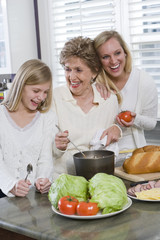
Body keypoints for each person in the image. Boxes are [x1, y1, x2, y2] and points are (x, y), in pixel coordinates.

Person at [52, 36, 122, 180]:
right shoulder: (54, 97)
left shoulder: (108, 100)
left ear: (94, 71)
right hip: (61, 180)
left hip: (98, 180)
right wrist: (57, 145)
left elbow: (110, 144)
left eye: (78, 70)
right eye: (67, 69)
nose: (72, 76)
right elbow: (41, 149)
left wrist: (117, 129)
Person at [94, 30, 158, 158]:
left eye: (117, 53)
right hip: (101, 156)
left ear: (125, 52)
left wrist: (135, 119)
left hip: (133, 155)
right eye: (105, 57)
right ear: (98, 60)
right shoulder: (96, 84)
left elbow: (152, 123)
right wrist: (95, 82)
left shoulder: (143, 81)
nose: (113, 61)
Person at [0, 59, 57, 198]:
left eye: (45, 92)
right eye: (36, 90)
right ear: (21, 85)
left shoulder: (46, 117)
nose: (41, 97)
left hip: (33, 197)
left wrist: (43, 179)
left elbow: (45, 158)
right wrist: (11, 185)